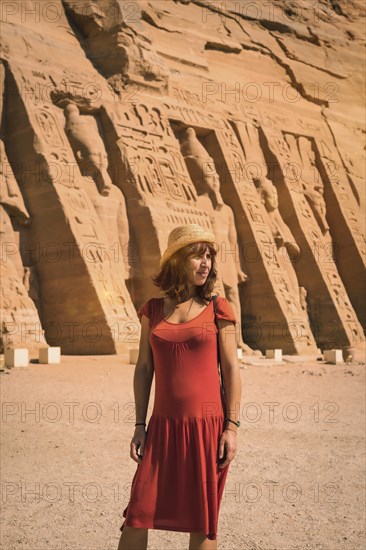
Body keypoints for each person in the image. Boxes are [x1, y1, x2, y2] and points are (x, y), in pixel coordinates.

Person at [117, 223, 242, 550]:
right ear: (176, 261)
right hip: (162, 429)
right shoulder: (153, 310)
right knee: (137, 515)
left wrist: (232, 427)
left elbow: (231, 369)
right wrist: (139, 425)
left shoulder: (219, 308)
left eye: (209, 257)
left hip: (206, 430)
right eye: (197, 256)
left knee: (202, 524)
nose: (205, 263)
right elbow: (144, 369)